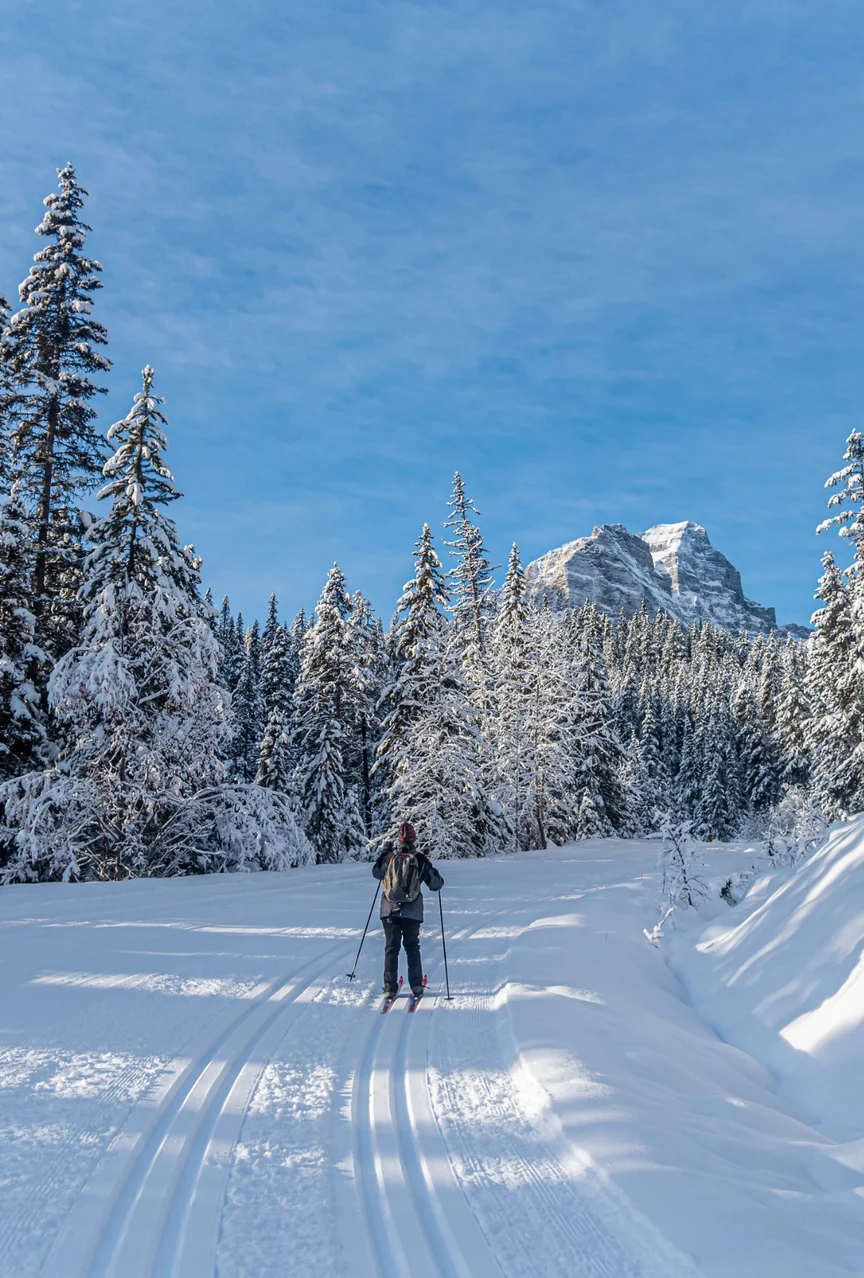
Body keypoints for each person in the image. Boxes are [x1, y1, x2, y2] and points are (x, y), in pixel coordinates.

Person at [373, 821, 444, 998]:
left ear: (399, 839)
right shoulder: (419, 859)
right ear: (414, 839)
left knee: (391, 947)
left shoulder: (389, 857)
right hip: (412, 911)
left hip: (389, 909)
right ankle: (416, 985)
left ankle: (390, 987)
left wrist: (383, 854)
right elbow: (436, 884)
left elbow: (376, 873)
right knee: (412, 946)